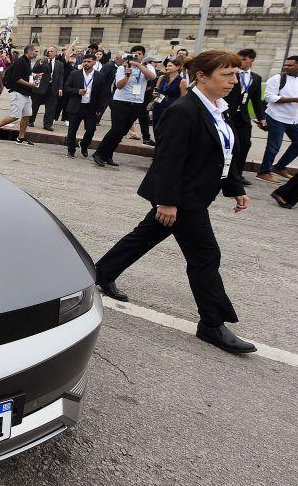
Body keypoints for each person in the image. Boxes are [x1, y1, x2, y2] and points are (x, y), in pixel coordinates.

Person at [95, 50, 255, 355]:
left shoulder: (219, 108)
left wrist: (234, 185)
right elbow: (168, 160)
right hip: (183, 199)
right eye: (227, 74)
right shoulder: (184, 110)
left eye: (236, 74)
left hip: (194, 195)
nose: (234, 81)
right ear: (202, 76)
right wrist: (167, 202)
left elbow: (224, 151)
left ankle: (103, 271)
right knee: (206, 257)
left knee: (145, 236)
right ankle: (212, 324)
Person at [256, 55, 298, 184]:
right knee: (274, 146)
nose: (286, 67)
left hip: (296, 119)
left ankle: (279, 167)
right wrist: (294, 99)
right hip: (276, 117)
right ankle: (264, 172)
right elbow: (269, 98)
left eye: (290, 65)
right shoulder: (277, 78)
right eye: (285, 65)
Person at [92, 45, 156, 167]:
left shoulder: (148, 67)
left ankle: (108, 155)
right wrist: (127, 75)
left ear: (143, 56)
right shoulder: (122, 68)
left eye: (139, 54)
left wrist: (138, 65)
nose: (136, 56)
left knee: (123, 131)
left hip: (136, 103)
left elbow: (152, 77)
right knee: (116, 129)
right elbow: (119, 85)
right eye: (133, 54)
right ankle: (99, 153)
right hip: (120, 101)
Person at [225, 49, 266, 185]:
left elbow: (256, 100)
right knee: (226, 143)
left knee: (244, 144)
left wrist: (262, 118)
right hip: (226, 113)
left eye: (243, 59)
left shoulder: (256, 78)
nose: (240, 62)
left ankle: (237, 174)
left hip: (242, 116)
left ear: (251, 60)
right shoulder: (230, 73)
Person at [0, 44, 39, 145]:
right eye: (35, 51)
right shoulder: (21, 61)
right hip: (17, 92)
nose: (37, 53)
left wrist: (35, 77)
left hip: (25, 93)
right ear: (30, 51)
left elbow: (25, 76)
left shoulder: (27, 61)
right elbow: (16, 78)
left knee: (27, 115)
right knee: (15, 115)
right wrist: (30, 85)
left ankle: (21, 137)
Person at [64, 52, 101, 158]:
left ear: (94, 62)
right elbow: (66, 88)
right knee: (72, 129)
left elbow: (102, 93)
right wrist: (77, 91)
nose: (86, 63)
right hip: (76, 106)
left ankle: (84, 145)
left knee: (91, 130)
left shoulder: (99, 76)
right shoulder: (75, 74)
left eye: (89, 62)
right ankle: (71, 150)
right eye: (84, 61)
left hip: (90, 107)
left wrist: (100, 108)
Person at [28, 45, 64, 131]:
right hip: (40, 87)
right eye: (48, 51)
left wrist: (60, 88)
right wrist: (40, 63)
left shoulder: (60, 64)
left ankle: (47, 124)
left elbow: (61, 77)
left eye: (51, 51)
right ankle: (30, 121)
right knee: (35, 105)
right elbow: (34, 70)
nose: (49, 53)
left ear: (56, 53)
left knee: (51, 108)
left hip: (53, 88)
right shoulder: (41, 61)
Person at [151, 56, 188, 130]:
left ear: (178, 67)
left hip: (171, 109)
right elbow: (156, 90)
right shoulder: (162, 78)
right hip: (158, 107)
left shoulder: (182, 81)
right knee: (156, 129)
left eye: (170, 66)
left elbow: (183, 98)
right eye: (167, 66)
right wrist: (155, 94)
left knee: (166, 131)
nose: (167, 68)